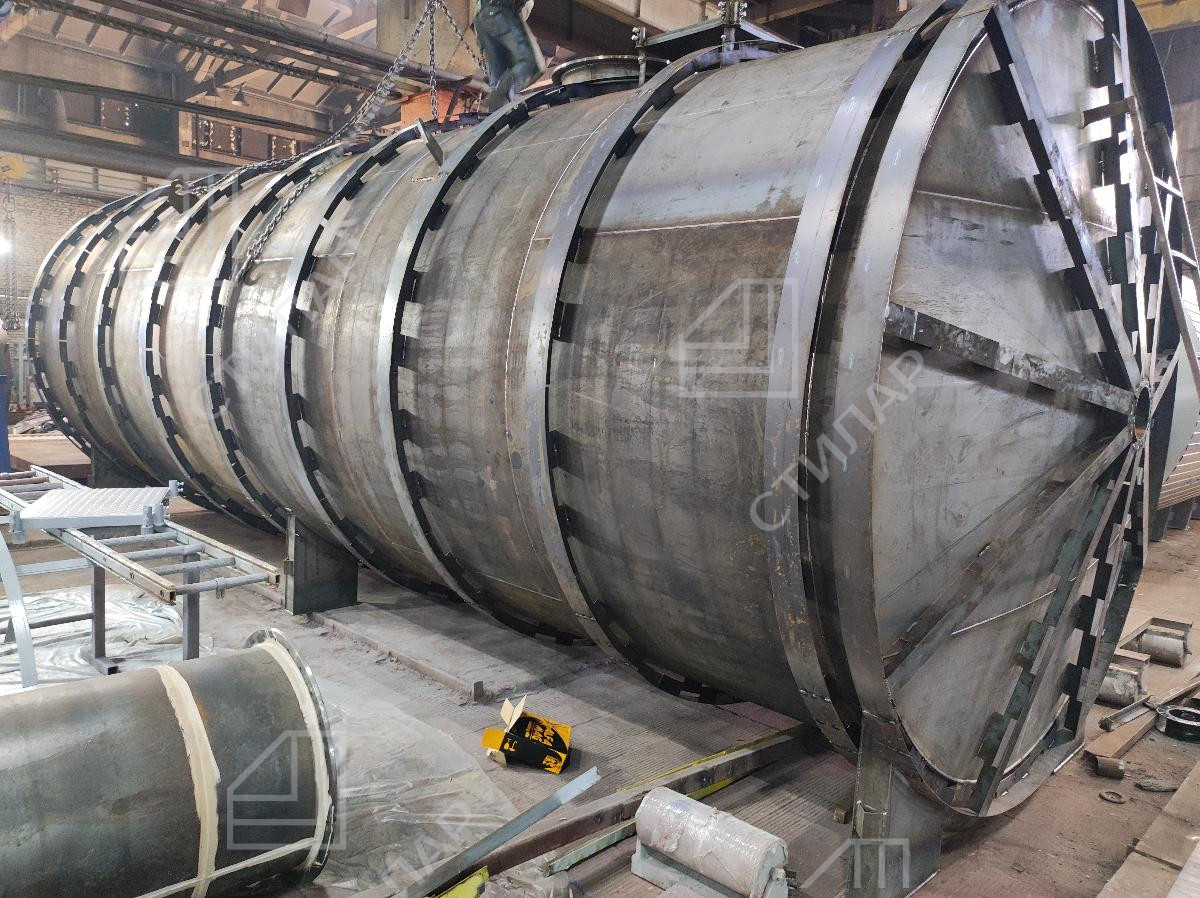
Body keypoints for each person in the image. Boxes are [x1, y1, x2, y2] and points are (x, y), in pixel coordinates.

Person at [473, 0, 545, 112]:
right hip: (498, 12)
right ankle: (502, 97)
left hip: (480, 19)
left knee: (498, 79)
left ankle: (497, 111)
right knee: (531, 62)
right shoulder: (527, 5)